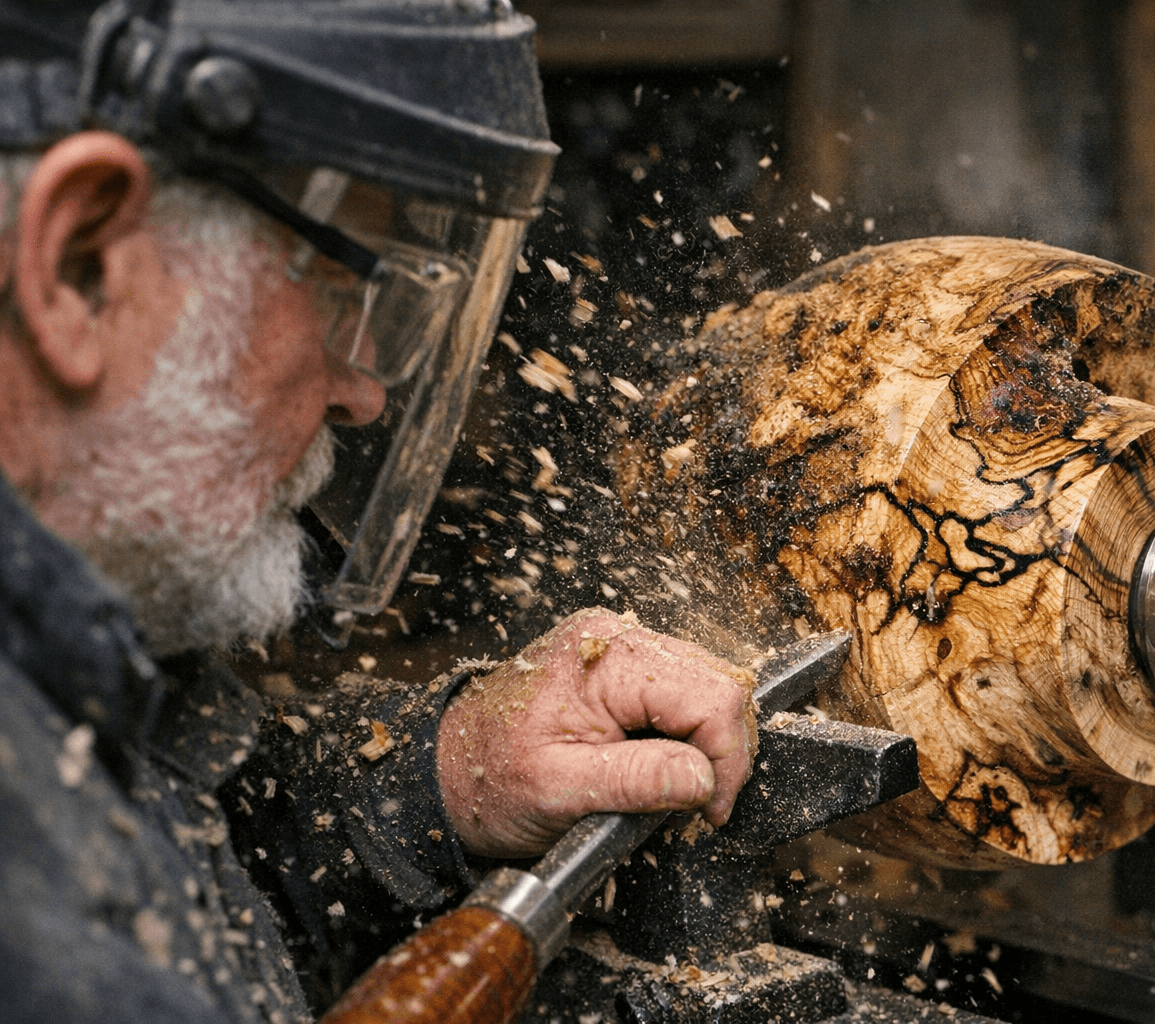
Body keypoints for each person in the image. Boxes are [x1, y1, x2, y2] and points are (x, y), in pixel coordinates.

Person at [0, 1, 755, 1020]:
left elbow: (195, 886)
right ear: (80, 266)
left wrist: (448, 781)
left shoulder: (72, 668)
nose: (365, 391)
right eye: (350, 286)